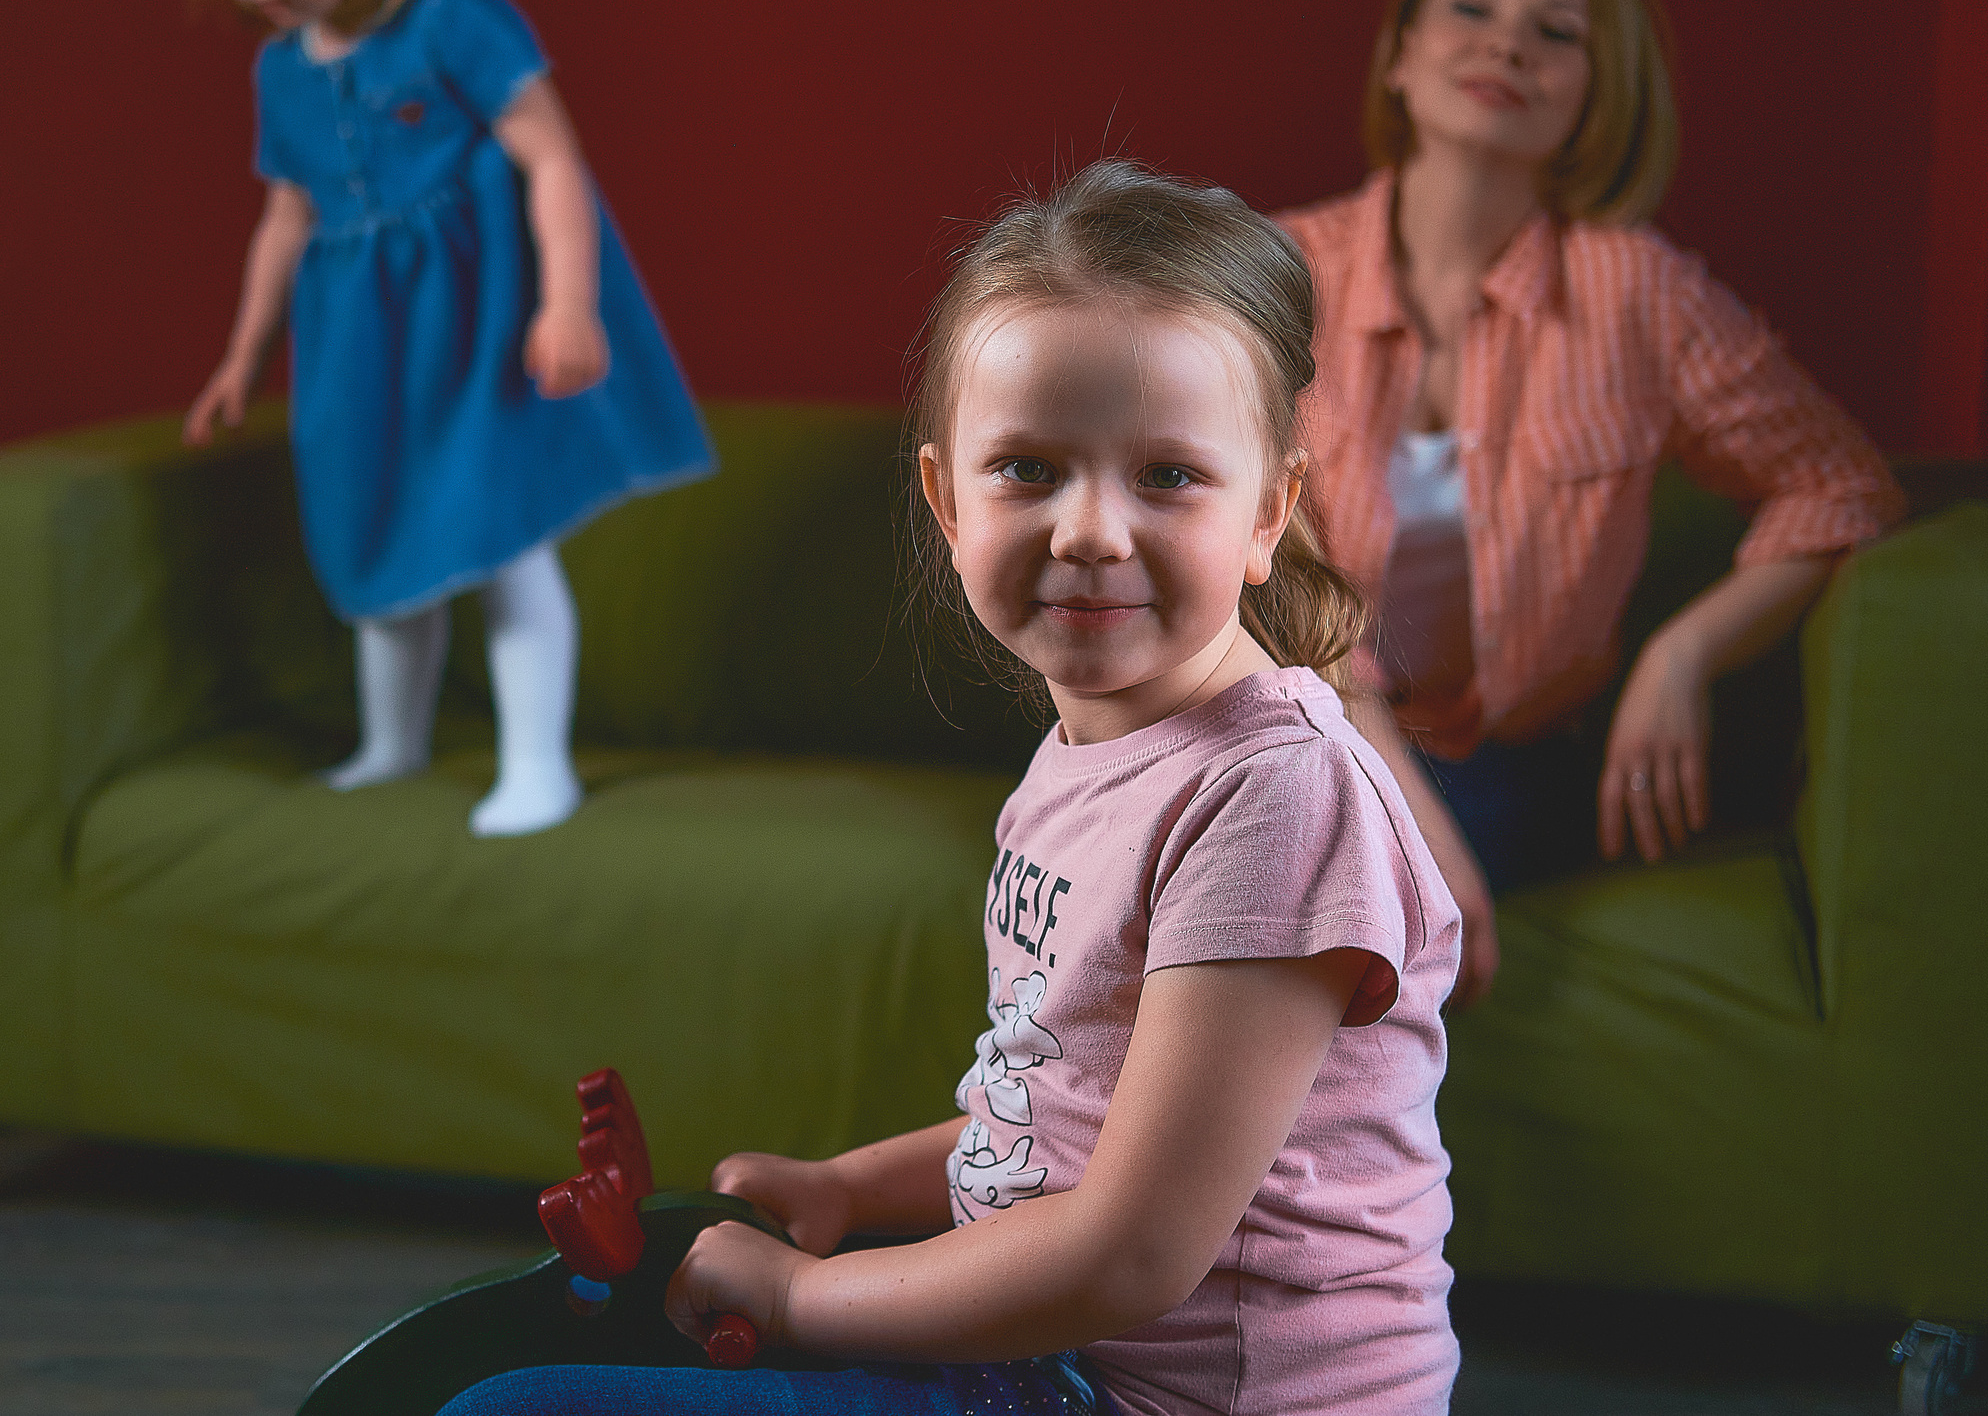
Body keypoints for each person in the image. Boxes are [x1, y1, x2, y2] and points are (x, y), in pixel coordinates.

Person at [441, 163, 1463, 1416]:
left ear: (1270, 512)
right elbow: (1062, 1119)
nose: (1090, 529)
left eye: (1168, 477)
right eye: (1028, 470)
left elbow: (1132, 1252)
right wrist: (852, 1191)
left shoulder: (1278, 795)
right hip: (1055, 1355)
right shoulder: (1085, 755)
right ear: (945, 502)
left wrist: (801, 1296)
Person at [1276, 0, 1901, 1003]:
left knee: (1328, 911)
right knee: (1288, 864)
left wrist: (1683, 655)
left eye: (1557, 32)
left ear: (1593, 98)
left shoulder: (1635, 292)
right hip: (1304, 736)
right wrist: (1394, 800)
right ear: (1401, 55)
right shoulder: (1277, 272)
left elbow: (1842, 485)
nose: (1509, 41)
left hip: (1518, 766)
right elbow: (1235, 551)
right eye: (1473, 8)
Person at [171, 0, 715, 837]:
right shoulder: (282, 71)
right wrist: (241, 355)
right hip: (359, 354)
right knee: (380, 542)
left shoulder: (450, 15)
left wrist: (566, 303)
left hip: (477, 335)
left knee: (502, 540)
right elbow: (284, 217)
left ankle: (536, 766)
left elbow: (551, 154)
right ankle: (391, 745)